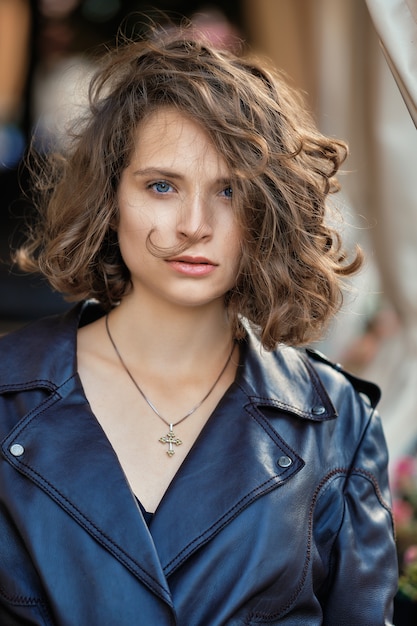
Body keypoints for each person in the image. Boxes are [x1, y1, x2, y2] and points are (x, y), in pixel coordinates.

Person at [0, 24, 398, 626]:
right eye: (162, 186)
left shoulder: (338, 424)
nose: (194, 224)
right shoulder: (6, 393)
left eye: (230, 193)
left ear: (270, 210)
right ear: (110, 199)